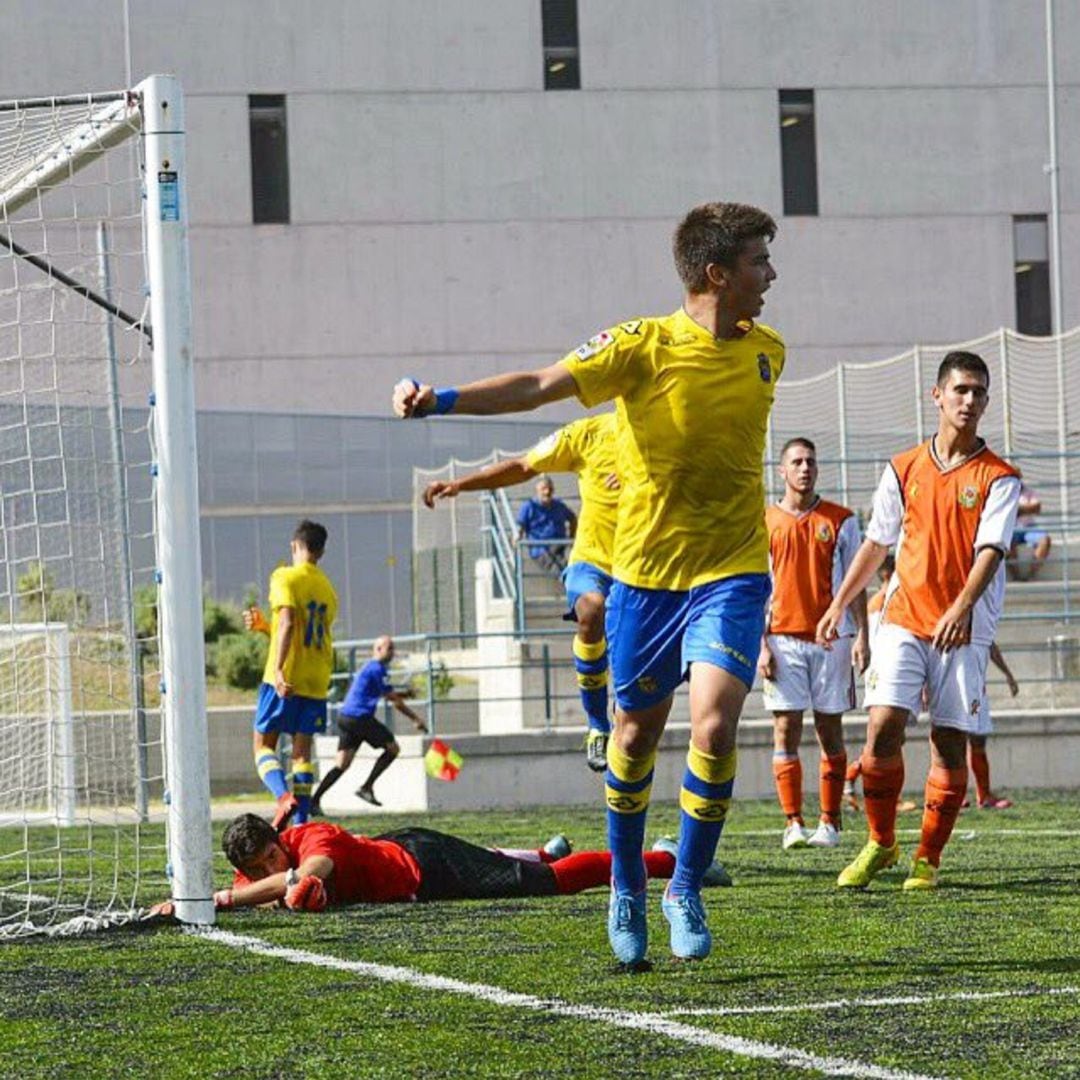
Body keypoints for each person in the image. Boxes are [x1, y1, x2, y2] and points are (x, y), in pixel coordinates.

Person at [393, 201, 781, 964]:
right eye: (759, 262)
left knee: (713, 725)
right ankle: (628, 882)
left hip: (732, 571)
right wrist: (440, 400)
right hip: (644, 579)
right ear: (717, 273)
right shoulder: (640, 345)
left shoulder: (769, 350)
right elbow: (537, 384)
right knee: (633, 739)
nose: (770, 277)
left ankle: (686, 884)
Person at [817, 351, 1020, 891]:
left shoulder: (999, 476)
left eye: (979, 392)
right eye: (961, 391)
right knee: (882, 726)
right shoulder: (903, 467)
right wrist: (840, 602)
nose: (970, 401)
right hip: (903, 620)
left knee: (949, 742)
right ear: (938, 395)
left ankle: (927, 857)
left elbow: (991, 551)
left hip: (963, 629)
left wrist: (961, 608)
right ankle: (881, 843)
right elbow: (878, 541)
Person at [423, 411, 619, 771]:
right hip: (591, 563)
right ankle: (596, 726)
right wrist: (461, 484)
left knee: (639, 732)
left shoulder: (672, 436)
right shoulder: (589, 433)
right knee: (591, 610)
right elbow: (522, 465)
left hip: (646, 568)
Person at [147, 813, 729, 916]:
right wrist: (185, 904)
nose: (270, 866)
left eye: (272, 855)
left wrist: (217, 901)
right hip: (406, 856)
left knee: (551, 885)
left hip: (427, 865)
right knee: (529, 867)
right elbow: (266, 888)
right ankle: (536, 851)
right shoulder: (255, 873)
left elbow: (309, 873)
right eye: (258, 866)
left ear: (280, 839)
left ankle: (671, 861)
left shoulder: (309, 837)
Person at [757, 437, 868, 851]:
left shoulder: (841, 520)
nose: (805, 468)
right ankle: (793, 823)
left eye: (810, 462)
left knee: (829, 729)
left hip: (832, 641)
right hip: (781, 639)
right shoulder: (765, 520)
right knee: (784, 729)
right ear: (782, 471)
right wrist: (761, 645)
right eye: (796, 462)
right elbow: (754, 588)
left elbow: (857, 583)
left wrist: (863, 637)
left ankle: (830, 823)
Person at [243, 520, 338, 830]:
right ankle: (301, 822)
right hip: (317, 677)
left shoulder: (285, 576)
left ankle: (283, 797)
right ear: (322, 551)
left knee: (263, 745)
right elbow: (306, 631)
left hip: (285, 676)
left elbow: (288, 623)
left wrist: (281, 669)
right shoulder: (327, 589)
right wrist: (263, 628)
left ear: (295, 546)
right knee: (301, 753)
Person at [310, 636, 428, 811]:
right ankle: (366, 787)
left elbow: (386, 693)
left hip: (346, 717)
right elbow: (394, 700)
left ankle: (314, 801)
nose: (392, 652)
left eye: (393, 648)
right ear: (378, 649)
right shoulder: (377, 669)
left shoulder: (372, 668)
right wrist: (416, 719)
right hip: (360, 718)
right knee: (393, 748)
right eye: (389, 648)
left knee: (341, 764)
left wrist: (405, 694)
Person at [965, 642, 1019, 810]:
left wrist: (1008, 674)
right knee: (954, 739)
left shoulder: (982, 621)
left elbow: (990, 645)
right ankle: (953, 794)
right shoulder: (953, 620)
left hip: (977, 695)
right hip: (956, 689)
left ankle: (984, 795)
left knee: (978, 739)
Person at [516, 475, 577, 574]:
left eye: (550, 489)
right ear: (537, 490)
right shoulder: (530, 506)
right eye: (543, 489)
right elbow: (520, 525)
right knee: (563, 572)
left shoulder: (558, 505)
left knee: (573, 568)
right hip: (541, 549)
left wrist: (571, 536)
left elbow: (572, 518)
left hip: (559, 546)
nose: (547, 492)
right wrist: (517, 536)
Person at [1007, 475, 1051, 580]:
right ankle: (1016, 576)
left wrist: (1017, 510)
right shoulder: (1005, 492)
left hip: (1029, 527)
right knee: (1006, 543)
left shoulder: (1028, 491)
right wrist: (1025, 509)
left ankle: (1031, 575)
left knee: (1045, 540)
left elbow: (1037, 508)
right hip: (1011, 528)